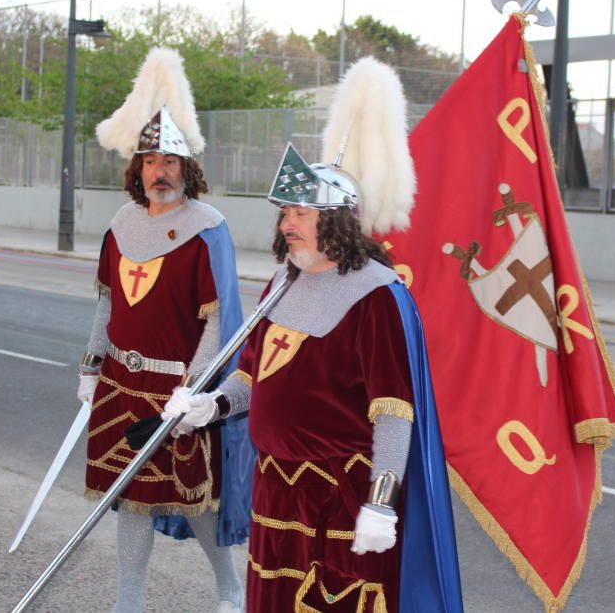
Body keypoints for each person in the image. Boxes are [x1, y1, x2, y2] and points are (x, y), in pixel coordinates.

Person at [163, 59, 463, 612]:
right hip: (276, 487)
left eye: (299, 212)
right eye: (284, 214)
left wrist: (381, 502)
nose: (285, 225)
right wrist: (213, 403)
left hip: (341, 497)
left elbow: (394, 411)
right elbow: (254, 372)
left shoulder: (377, 296)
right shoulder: (283, 281)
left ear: (339, 221)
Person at [78, 47, 250, 613]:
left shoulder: (207, 229)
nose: (160, 171)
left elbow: (220, 319)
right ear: (138, 169)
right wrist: (90, 366)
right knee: (130, 498)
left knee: (192, 498)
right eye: (150, 162)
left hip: (177, 390)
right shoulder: (120, 224)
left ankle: (229, 588)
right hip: (119, 387)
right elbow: (106, 304)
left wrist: (195, 387)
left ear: (188, 169)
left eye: (170, 163)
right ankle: (128, 600)